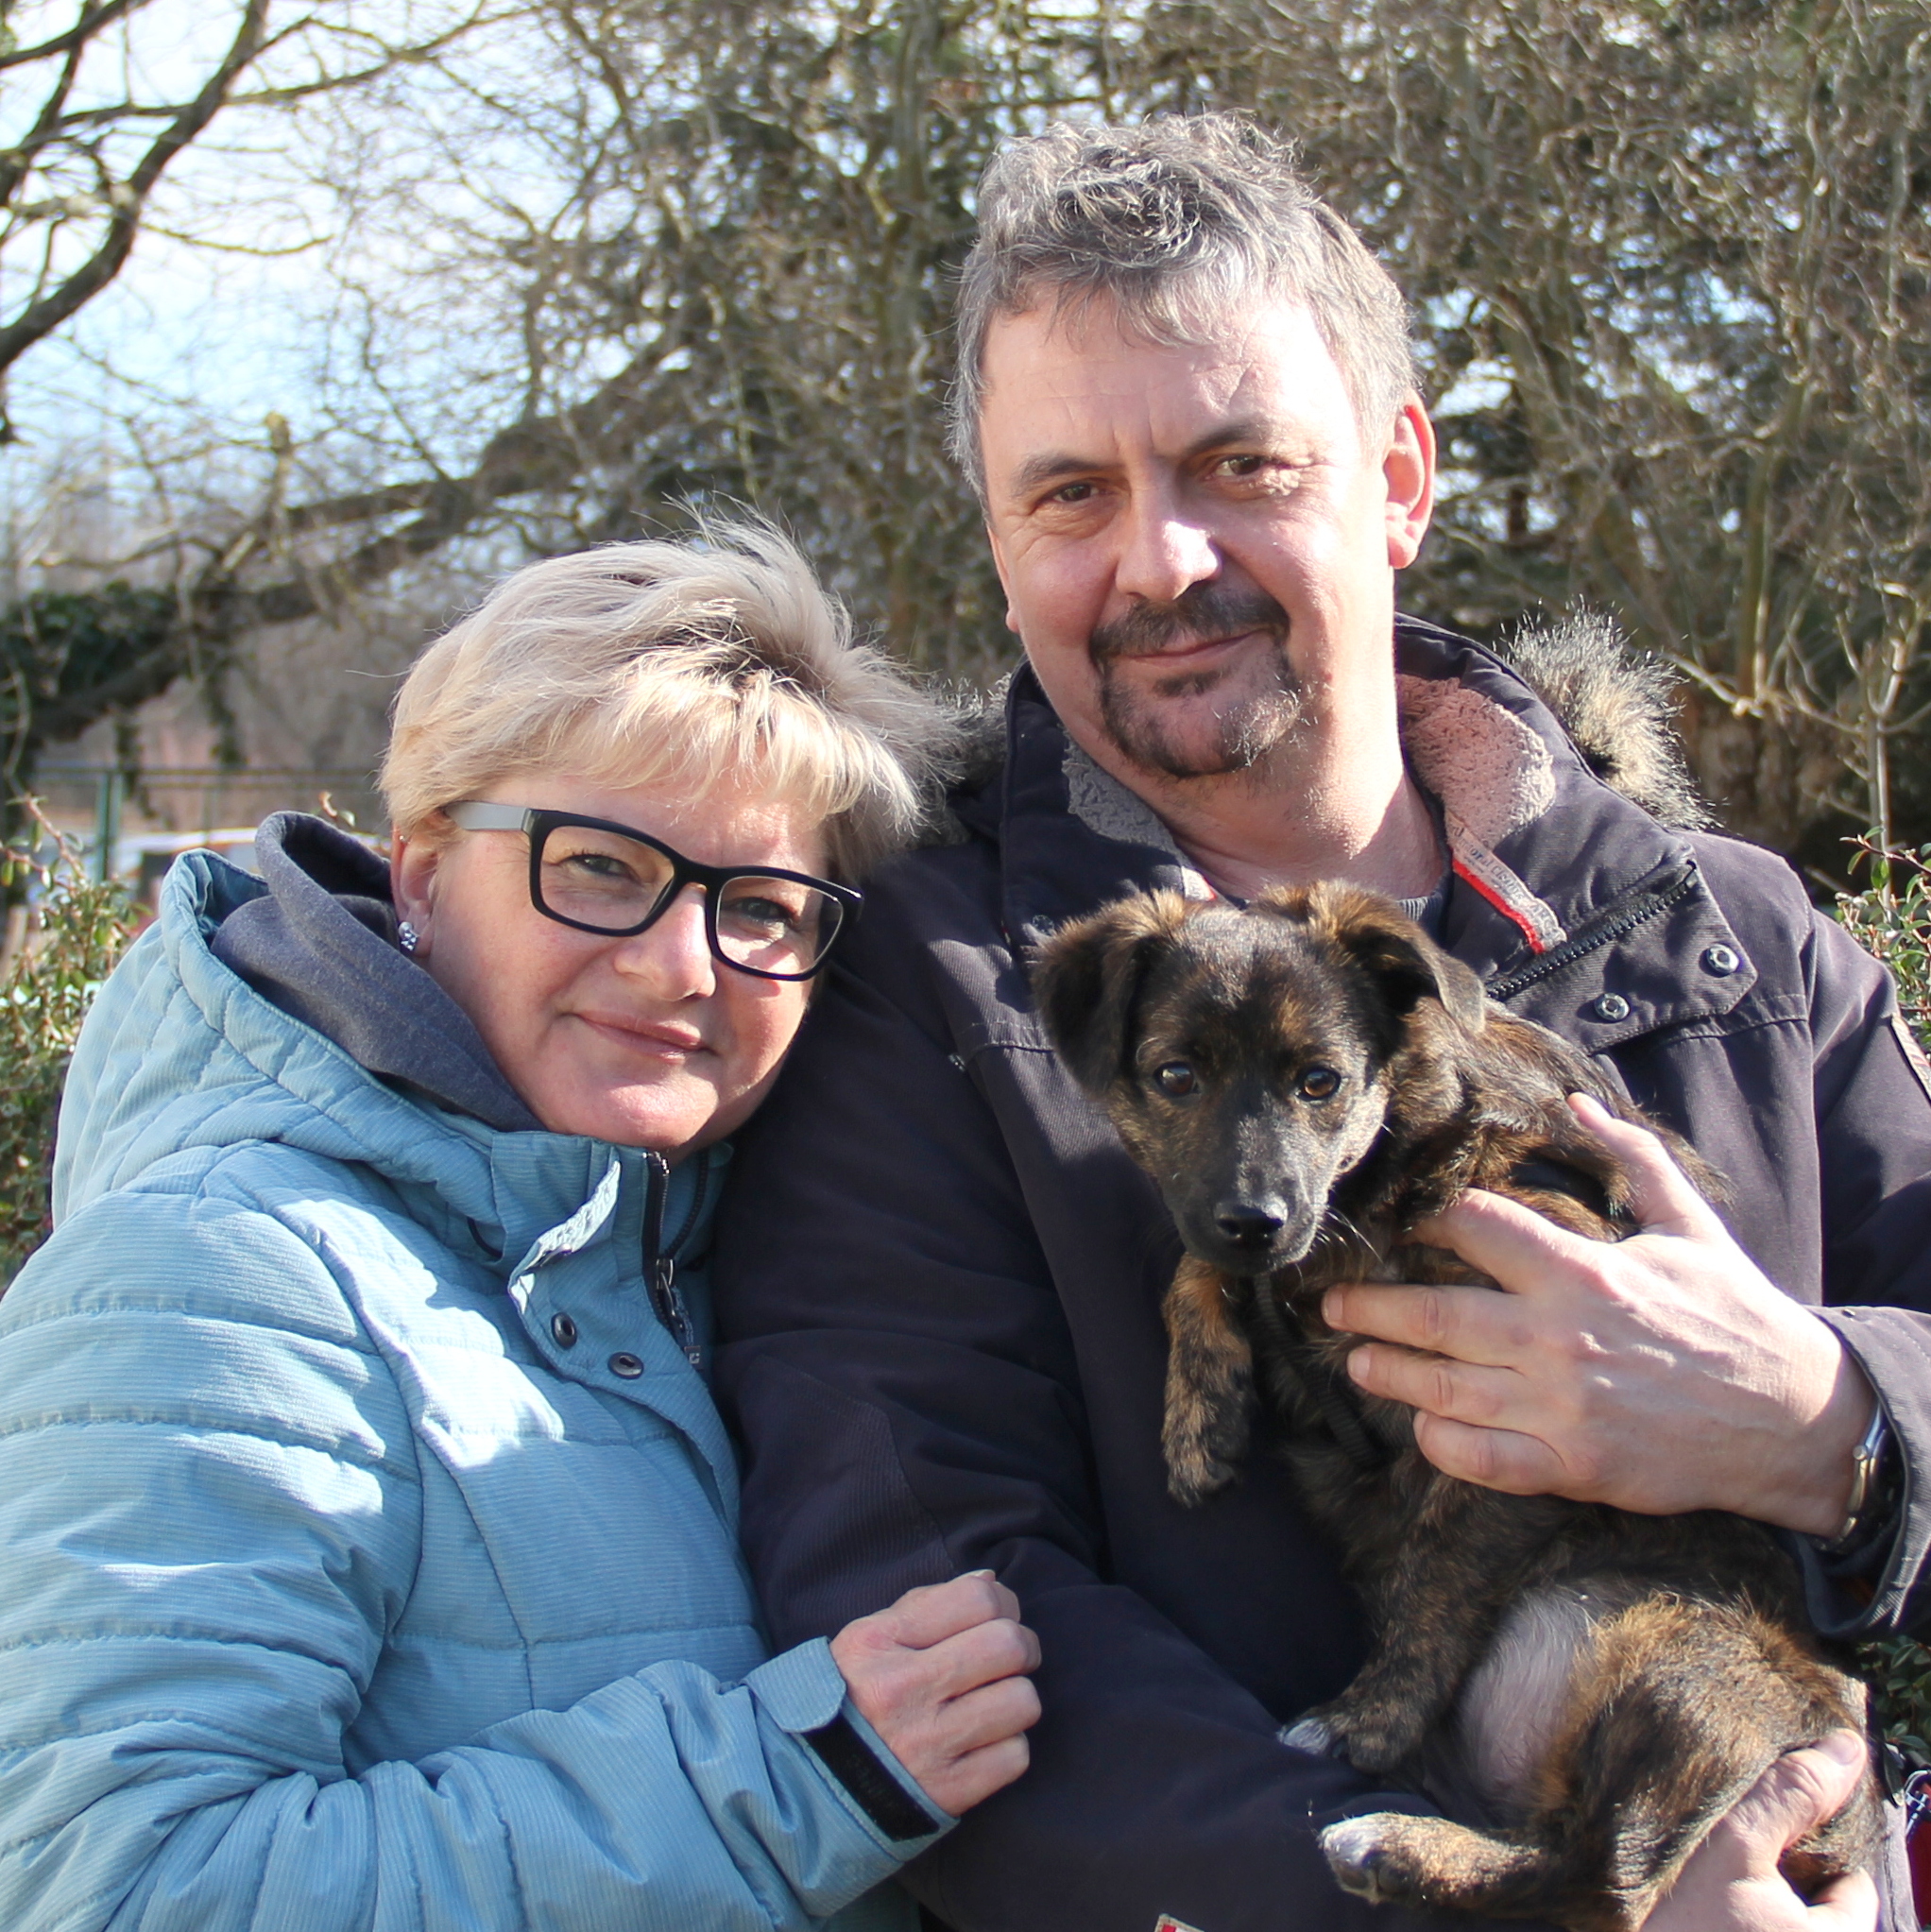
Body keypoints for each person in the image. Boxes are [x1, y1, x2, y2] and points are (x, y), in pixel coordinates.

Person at [711, 118, 1927, 1931]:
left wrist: (1826, 1424)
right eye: (1071, 495)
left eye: (1240, 465)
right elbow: (933, 1619)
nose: (1159, 558)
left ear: (1398, 478)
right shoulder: (926, 995)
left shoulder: (1734, 941)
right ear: (1001, 542)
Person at [0, 521, 1041, 1932]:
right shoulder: (216, 1277)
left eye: (761, 906)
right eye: (600, 866)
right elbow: (115, 1891)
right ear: (423, 874)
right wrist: (796, 1781)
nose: (681, 967)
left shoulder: (737, 1251)